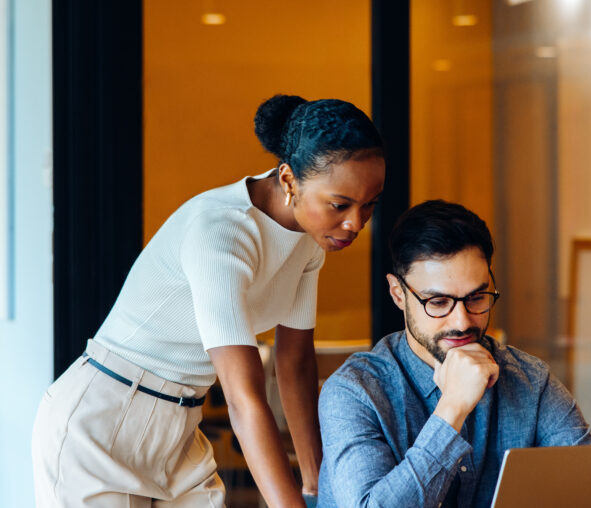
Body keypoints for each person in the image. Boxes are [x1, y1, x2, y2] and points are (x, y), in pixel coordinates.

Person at [32, 95, 385, 507]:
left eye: (369, 205)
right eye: (340, 205)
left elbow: (294, 364)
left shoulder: (309, 245)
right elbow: (243, 397)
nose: (356, 223)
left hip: (181, 424)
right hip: (103, 423)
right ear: (288, 180)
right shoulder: (222, 231)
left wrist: (317, 484)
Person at [317, 200, 591, 508]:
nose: (462, 322)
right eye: (437, 302)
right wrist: (452, 410)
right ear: (398, 294)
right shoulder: (354, 392)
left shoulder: (531, 380)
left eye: (476, 297)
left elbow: (589, 490)